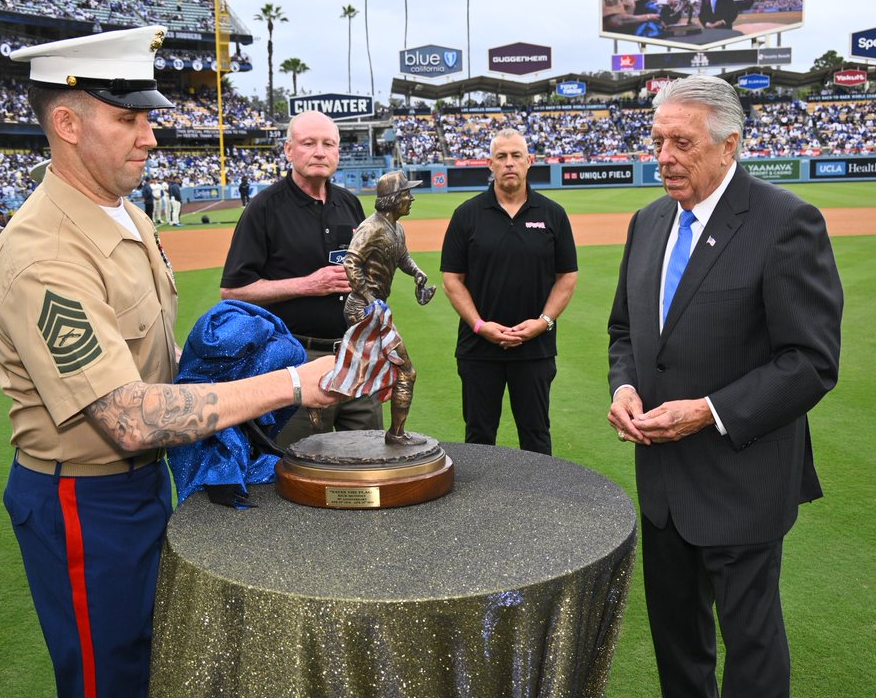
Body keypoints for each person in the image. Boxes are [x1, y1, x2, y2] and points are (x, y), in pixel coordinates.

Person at [0, 25, 338, 698]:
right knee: (110, 677)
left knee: (158, 658)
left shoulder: (127, 217)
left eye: (146, 118)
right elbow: (127, 417)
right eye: (127, 119)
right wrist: (292, 382)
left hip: (142, 485)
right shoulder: (43, 255)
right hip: (84, 497)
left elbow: (155, 358)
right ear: (66, 122)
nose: (150, 137)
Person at [606, 75, 843, 698]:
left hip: (743, 481)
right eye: (658, 141)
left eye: (681, 143)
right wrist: (624, 387)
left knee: (752, 648)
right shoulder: (648, 221)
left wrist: (710, 411)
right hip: (661, 484)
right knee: (678, 647)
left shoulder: (786, 222)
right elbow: (625, 330)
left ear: (728, 145)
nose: (663, 157)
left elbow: (811, 361)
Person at [221, 109, 380, 447]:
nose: (319, 152)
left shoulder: (350, 204)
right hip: (295, 357)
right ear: (289, 150)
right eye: (308, 143)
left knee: (370, 454)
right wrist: (309, 284)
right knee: (300, 461)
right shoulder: (264, 208)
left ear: (338, 152)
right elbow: (233, 290)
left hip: (354, 356)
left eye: (328, 144)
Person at [440, 129, 578, 456]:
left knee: (536, 435)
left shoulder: (552, 214)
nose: (509, 163)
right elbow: (452, 279)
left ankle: (543, 504)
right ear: (490, 164)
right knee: (479, 436)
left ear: (530, 161)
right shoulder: (467, 215)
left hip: (535, 349)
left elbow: (567, 277)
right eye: (501, 157)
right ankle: (480, 505)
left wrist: (543, 322)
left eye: (516, 156)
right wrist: (479, 325)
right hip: (478, 348)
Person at [341, 170, 435, 443]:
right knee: (404, 371)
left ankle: (395, 432)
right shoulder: (372, 227)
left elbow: (402, 256)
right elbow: (351, 262)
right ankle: (396, 434)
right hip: (362, 310)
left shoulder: (396, 227)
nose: (412, 198)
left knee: (363, 371)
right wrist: (369, 299)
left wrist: (416, 272)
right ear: (394, 199)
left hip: (374, 309)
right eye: (407, 193)